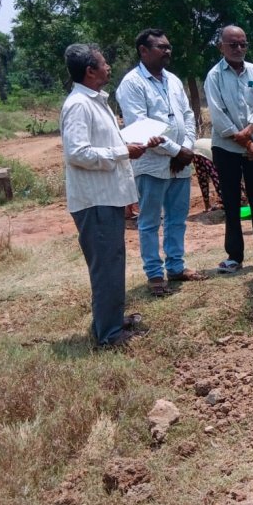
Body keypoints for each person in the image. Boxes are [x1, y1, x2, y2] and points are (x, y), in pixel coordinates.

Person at [60, 43, 162, 346]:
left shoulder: (94, 101)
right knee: (106, 267)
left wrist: (133, 144)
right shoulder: (79, 104)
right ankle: (109, 335)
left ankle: (111, 322)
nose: (108, 68)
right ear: (90, 71)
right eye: (103, 64)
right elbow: (77, 153)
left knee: (112, 262)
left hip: (107, 197)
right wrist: (122, 151)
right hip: (95, 200)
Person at [116, 29, 206, 297]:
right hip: (152, 165)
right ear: (143, 51)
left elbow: (188, 115)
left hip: (180, 163)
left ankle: (176, 267)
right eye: (161, 47)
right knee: (150, 222)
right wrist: (177, 151)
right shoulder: (132, 83)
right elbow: (140, 127)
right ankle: (155, 274)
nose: (168, 51)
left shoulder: (174, 80)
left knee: (177, 219)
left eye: (169, 47)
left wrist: (187, 148)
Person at [204, 25, 253, 274]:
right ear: (220, 46)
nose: (238, 49)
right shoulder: (214, 76)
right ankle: (234, 255)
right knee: (232, 202)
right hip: (227, 148)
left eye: (243, 44)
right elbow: (218, 115)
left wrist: (251, 131)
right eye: (232, 44)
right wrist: (246, 142)